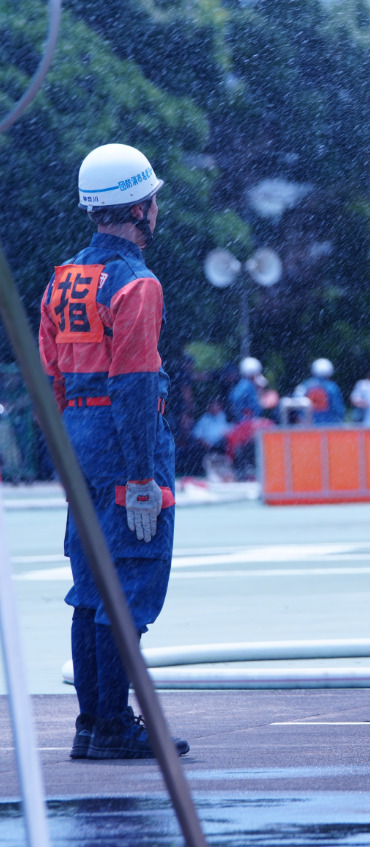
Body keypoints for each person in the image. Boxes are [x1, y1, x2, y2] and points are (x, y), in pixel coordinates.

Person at [38, 143, 188, 758]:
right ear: (140, 207)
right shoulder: (137, 284)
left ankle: (90, 723)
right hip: (123, 438)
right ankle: (112, 727)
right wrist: (143, 475)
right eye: (152, 201)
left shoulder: (64, 277)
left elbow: (49, 376)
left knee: (90, 586)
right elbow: (132, 386)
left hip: (75, 434)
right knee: (128, 583)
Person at [297, 358, 346, 424]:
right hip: (329, 426)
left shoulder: (304, 385)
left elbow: (297, 407)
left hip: (308, 427)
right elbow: (338, 410)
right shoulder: (332, 387)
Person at [228, 356, 263, 422]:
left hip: (250, 420)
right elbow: (235, 398)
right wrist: (246, 412)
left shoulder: (247, 384)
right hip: (247, 422)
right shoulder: (246, 385)